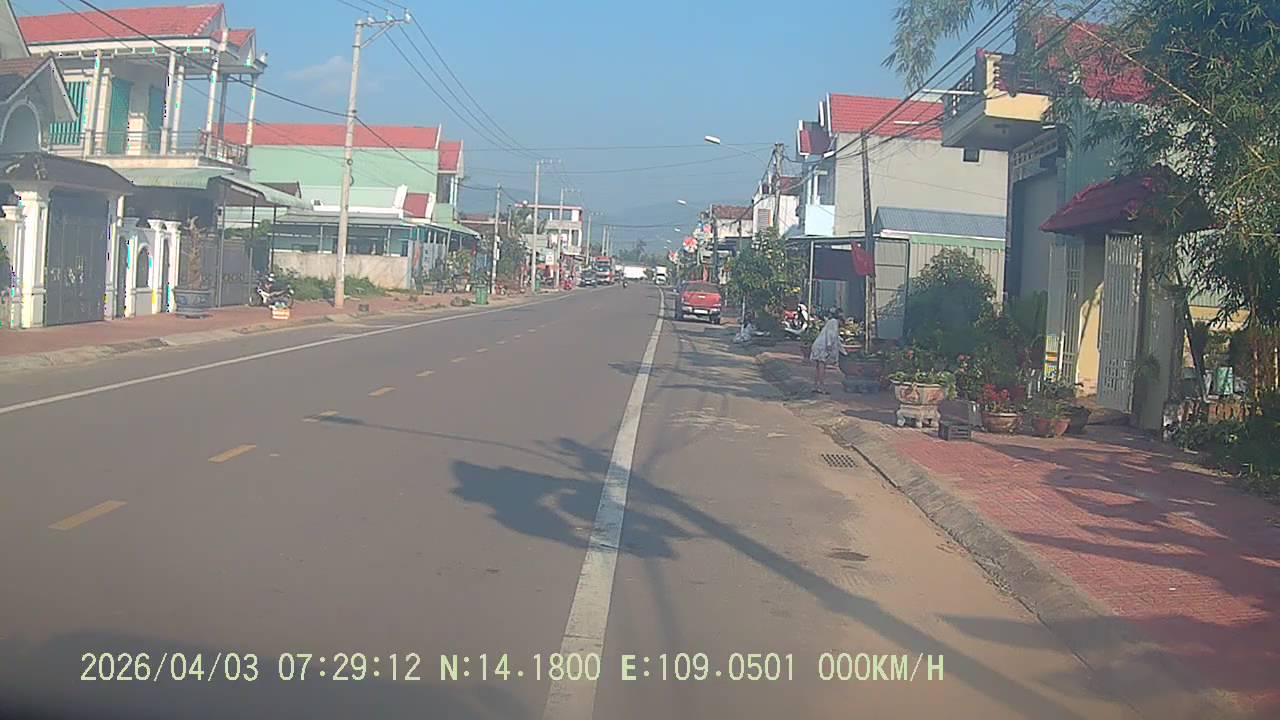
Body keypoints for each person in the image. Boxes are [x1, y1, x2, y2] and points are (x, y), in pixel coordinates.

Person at [810, 308, 846, 394]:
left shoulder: (831, 322)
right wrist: (829, 345)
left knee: (818, 367)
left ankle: (816, 386)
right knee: (822, 366)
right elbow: (830, 335)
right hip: (823, 347)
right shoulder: (834, 322)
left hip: (819, 345)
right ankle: (821, 387)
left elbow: (837, 341)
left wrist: (844, 351)